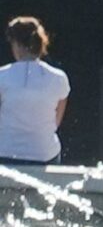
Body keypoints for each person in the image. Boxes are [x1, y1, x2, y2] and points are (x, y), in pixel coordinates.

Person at [0, 18, 70, 166]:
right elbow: (56, 120)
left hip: (6, 153)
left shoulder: (3, 76)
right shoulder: (58, 78)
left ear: (17, 45)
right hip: (44, 154)